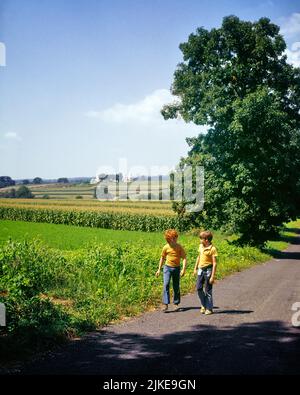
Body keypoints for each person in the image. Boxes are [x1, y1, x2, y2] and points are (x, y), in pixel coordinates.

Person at [155, 229, 187, 312]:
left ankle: (176, 303)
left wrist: (183, 269)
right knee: (166, 284)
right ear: (169, 238)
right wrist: (159, 269)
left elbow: (184, 258)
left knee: (176, 286)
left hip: (176, 268)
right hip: (167, 268)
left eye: (176, 237)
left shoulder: (179, 247)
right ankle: (165, 304)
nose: (175, 238)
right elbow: (162, 258)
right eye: (173, 237)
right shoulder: (166, 247)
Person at [193, 230, 218, 315]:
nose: (200, 240)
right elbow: (199, 257)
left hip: (208, 270)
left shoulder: (213, 249)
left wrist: (212, 277)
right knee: (199, 288)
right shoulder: (200, 246)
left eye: (201, 239)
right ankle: (203, 304)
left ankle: (209, 308)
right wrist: (195, 268)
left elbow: (214, 263)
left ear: (206, 239)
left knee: (208, 290)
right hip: (200, 269)